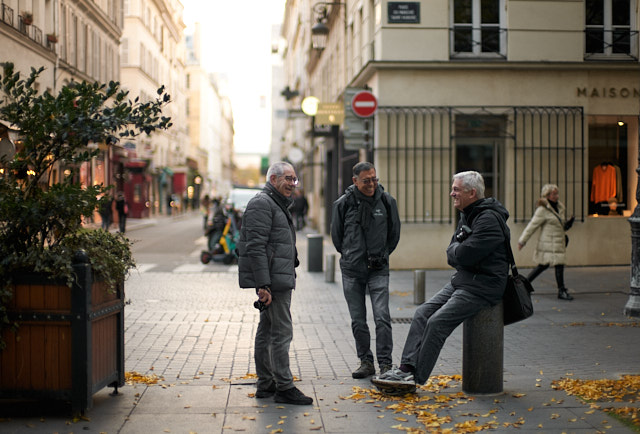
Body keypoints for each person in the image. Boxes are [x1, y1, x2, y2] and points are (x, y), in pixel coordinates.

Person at [372, 171, 510, 390]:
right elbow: (452, 253)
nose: (451, 193)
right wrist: (458, 250)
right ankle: (406, 369)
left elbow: (464, 254)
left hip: (483, 286)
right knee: (421, 313)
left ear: (472, 192)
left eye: (456, 189)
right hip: (464, 280)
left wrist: (458, 250)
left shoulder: (488, 220)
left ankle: (416, 378)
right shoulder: (469, 213)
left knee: (437, 323)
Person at [237, 161, 313, 406]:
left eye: (294, 179)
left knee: (268, 330)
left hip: (276, 277)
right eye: (287, 179)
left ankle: (266, 383)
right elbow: (255, 246)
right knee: (281, 331)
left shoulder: (277, 203)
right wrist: (264, 284)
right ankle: (284, 385)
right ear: (273, 180)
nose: (292, 183)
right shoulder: (263, 203)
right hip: (273, 280)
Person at [330, 162, 401, 379]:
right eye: (366, 180)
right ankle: (366, 362)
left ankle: (386, 364)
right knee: (358, 320)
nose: (371, 184)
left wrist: (381, 255)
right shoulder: (343, 204)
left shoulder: (387, 202)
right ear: (355, 181)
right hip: (352, 270)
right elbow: (337, 237)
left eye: (374, 179)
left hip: (378, 269)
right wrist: (352, 254)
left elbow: (394, 235)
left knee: (382, 317)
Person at [517, 184, 575, 300]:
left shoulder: (559, 207)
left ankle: (559, 290)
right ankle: (560, 290)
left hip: (558, 241)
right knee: (546, 265)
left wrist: (568, 223)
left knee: (553, 265)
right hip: (548, 242)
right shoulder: (542, 210)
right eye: (554, 194)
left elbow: (561, 225)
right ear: (547, 195)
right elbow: (532, 225)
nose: (557, 196)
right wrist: (522, 240)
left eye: (557, 193)